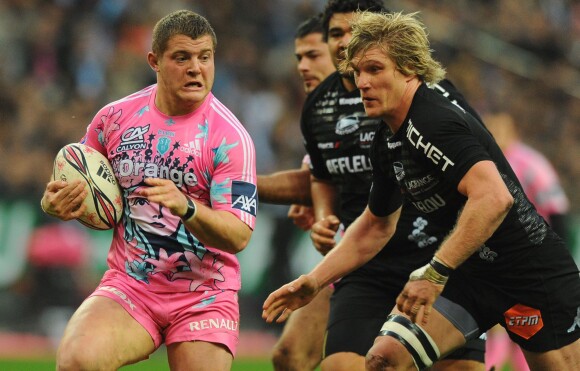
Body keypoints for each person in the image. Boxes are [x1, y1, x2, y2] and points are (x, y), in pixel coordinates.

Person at [263, 10, 580, 371]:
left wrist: (434, 273)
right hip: (471, 277)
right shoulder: (387, 138)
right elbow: (373, 227)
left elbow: (495, 197)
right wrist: (314, 281)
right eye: (358, 71)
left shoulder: (434, 121)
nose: (361, 81)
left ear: (409, 68)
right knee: (384, 360)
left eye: (375, 69)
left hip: (529, 275)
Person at [265, 1, 486, 370]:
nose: (343, 42)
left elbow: (481, 170)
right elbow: (321, 176)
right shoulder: (320, 105)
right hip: (367, 265)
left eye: (355, 32)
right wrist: (322, 214)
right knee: (322, 362)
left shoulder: (430, 96)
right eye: (335, 34)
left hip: (435, 259)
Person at [40, 10, 257, 370]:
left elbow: (238, 235)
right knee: (76, 361)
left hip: (203, 295)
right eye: (182, 57)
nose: (196, 68)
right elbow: (79, 180)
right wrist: (55, 202)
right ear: (154, 61)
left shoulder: (230, 138)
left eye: (205, 57)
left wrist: (186, 206)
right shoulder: (114, 118)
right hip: (131, 286)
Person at [258, 14, 336, 371]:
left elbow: (309, 183)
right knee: (290, 356)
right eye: (299, 57)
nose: (303, 66)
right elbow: (318, 177)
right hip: (352, 256)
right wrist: (317, 204)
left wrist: (233, 185)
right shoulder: (321, 114)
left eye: (313, 55)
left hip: (410, 253)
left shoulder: (377, 100)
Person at [484, 111, 571, 371]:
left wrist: (556, 263)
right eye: (490, 128)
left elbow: (557, 210)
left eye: (500, 127)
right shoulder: (483, 162)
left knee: (528, 332)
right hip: (497, 260)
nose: (495, 133)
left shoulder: (531, 163)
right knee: (508, 326)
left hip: (531, 260)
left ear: (514, 131)